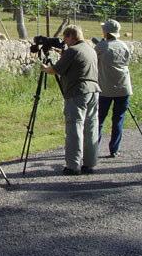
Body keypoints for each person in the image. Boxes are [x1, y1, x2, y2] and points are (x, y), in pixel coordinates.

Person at [41, 25, 100, 175]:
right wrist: (63, 53)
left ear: (70, 37)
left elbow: (55, 70)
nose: (64, 42)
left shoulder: (72, 51)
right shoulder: (89, 49)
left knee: (75, 127)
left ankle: (73, 165)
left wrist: (44, 68)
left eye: (65, 38)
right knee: (91, 126)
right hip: (93, 91)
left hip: (77, 92)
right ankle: (90, 163)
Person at [95, 19, 132, 158]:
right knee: (118, 119)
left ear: (106, 32)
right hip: (123, 87)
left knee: (99, 119)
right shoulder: (124, 45)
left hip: (105, 88)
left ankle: (94, 148)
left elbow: (94, 61)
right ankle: (114, 149)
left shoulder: (101, 46)